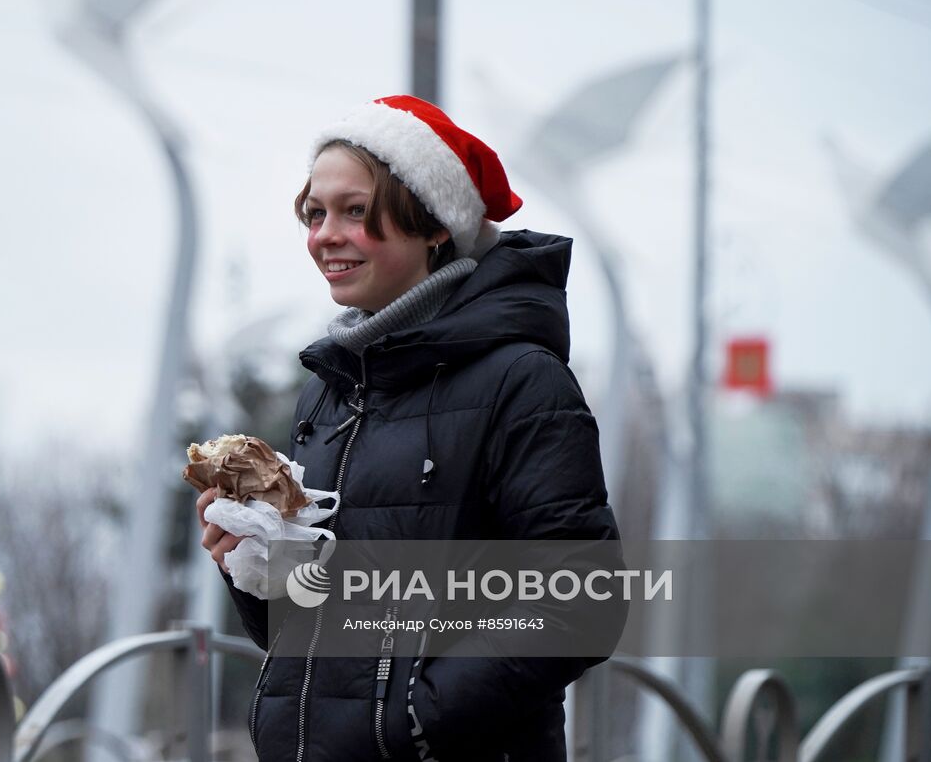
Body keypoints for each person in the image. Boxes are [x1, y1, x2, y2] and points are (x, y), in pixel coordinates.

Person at [196, 95, 620, 761]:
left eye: (355, 211)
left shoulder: (521, 380)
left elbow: (583, 601)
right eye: (315, 213)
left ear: (433, 225)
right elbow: (301, 628)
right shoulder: (326, 395)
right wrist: (251, 559)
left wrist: (416, 721)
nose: (325, 235)